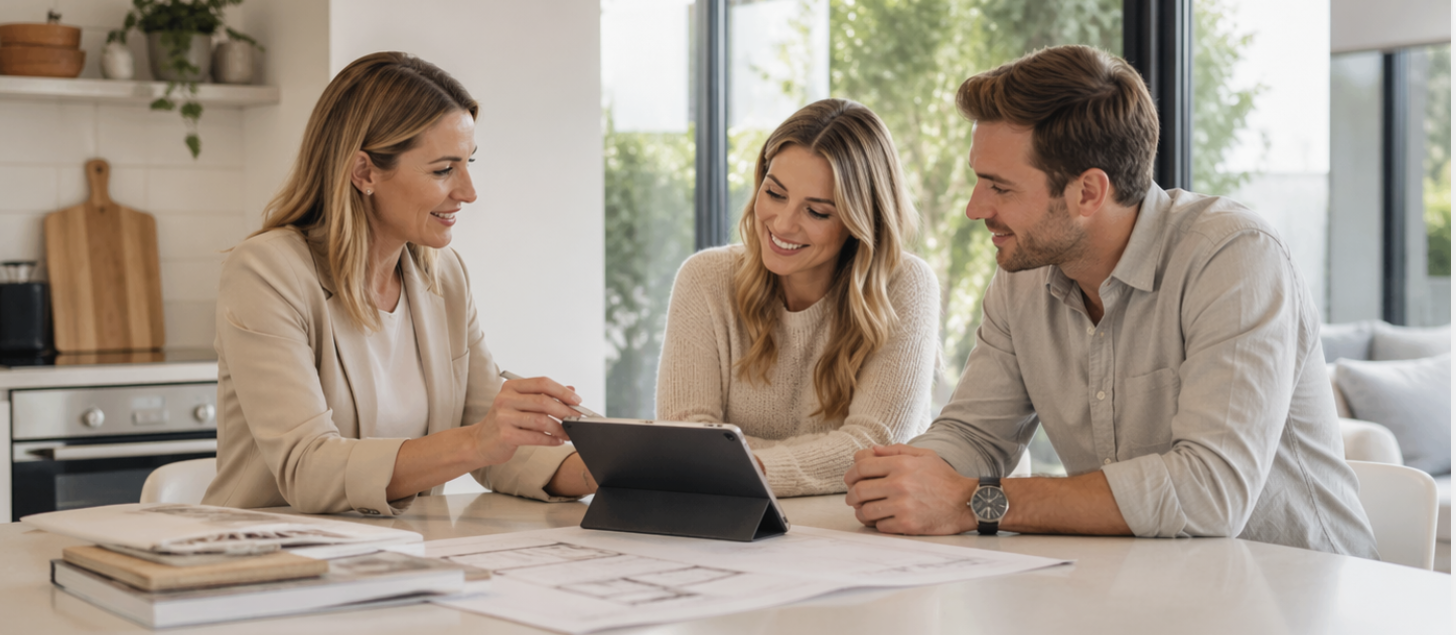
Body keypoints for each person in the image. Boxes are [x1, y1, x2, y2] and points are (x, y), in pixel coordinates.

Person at [844, 45, 1378, 557]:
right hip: (1149, 587)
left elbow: (1211, 491)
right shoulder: (1024, 275)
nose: (973, 207)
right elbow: (975, 434)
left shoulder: (1233, 258)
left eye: (999, 187)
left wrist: (973, 501)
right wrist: (904, 478)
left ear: (1088, 193)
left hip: (1299, 596)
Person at [203, 52, 596, 515]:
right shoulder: (267, 273)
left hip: (403, 555)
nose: (469, 191)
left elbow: (497, 441)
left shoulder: (444, 277)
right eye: (443, 169)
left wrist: (612, 464)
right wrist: (477, 441)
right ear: (364, 172)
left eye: (469, 163)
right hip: (267, 562)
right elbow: (307, 469)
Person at [656, 99, 940, 497]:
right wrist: (812, 458)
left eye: (817, 212)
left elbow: (873, 448)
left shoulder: (906, 285)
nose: (784, 224)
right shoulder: (706, 279)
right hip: (731, 522)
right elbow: (685, 444)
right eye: (774, 193)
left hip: (858, 532)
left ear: (861, 222)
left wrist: (740, 460)